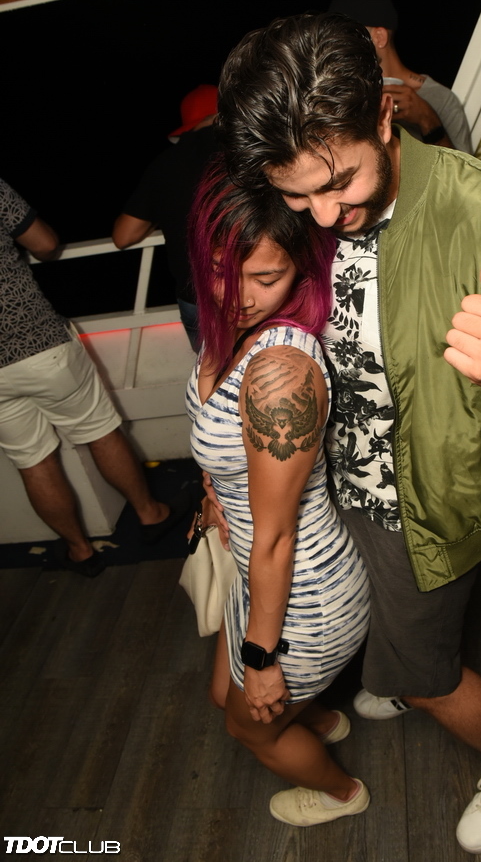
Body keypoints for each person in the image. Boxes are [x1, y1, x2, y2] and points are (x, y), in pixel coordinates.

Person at [214, 12, 481, 850]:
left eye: (339, 185)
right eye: (296, 195)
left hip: (428, 515)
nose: (320, 215)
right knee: (383, 645)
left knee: (428, 674)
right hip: (332, 496)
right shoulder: (298, 203)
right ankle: (390, 672)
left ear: (383, 115)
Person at [185, 165, 370, 826]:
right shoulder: (227, 327)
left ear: (301, 270)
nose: (237, 295)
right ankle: (315, 717)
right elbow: (222, 437)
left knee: (248, 727)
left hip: (303, 594)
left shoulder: (281, 372)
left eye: (266, 277)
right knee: (222, 693)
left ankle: (342, 794)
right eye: (220, 270)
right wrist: (213, 490)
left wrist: (263, 659)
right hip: (256, 572)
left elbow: (278, 533)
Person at [0, 178, 189, 576]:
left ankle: (80, 551)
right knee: (100, 431)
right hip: (39, 345)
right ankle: (151, 514)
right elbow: (44, 243)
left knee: (31, 461)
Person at [112, 84, 219, 350]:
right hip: (259, 289)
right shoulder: (251, 148)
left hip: (195, 299)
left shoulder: (165, 164)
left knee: (214, 370)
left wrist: (169, 209)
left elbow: (123, 236)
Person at [329, 0, 473, 153]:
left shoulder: (441, 99)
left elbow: (463, 169)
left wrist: (427, 119)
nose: (338, 48)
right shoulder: (345, 96)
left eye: (347, 37)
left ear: (379, 37)